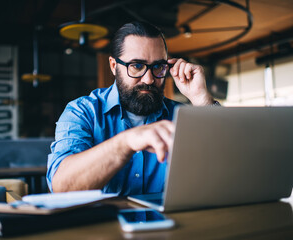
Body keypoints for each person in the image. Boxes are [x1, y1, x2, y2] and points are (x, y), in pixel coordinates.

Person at [47, 21, 218, 196]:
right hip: (106, 223)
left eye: (158, 66)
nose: (149, 79)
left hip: (176, 223)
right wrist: (126, 142)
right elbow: (62, 188)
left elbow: (228, 167)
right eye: (137, 66)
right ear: (114, 66)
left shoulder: (183, 116)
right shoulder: (82, 112)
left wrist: (202, 99)